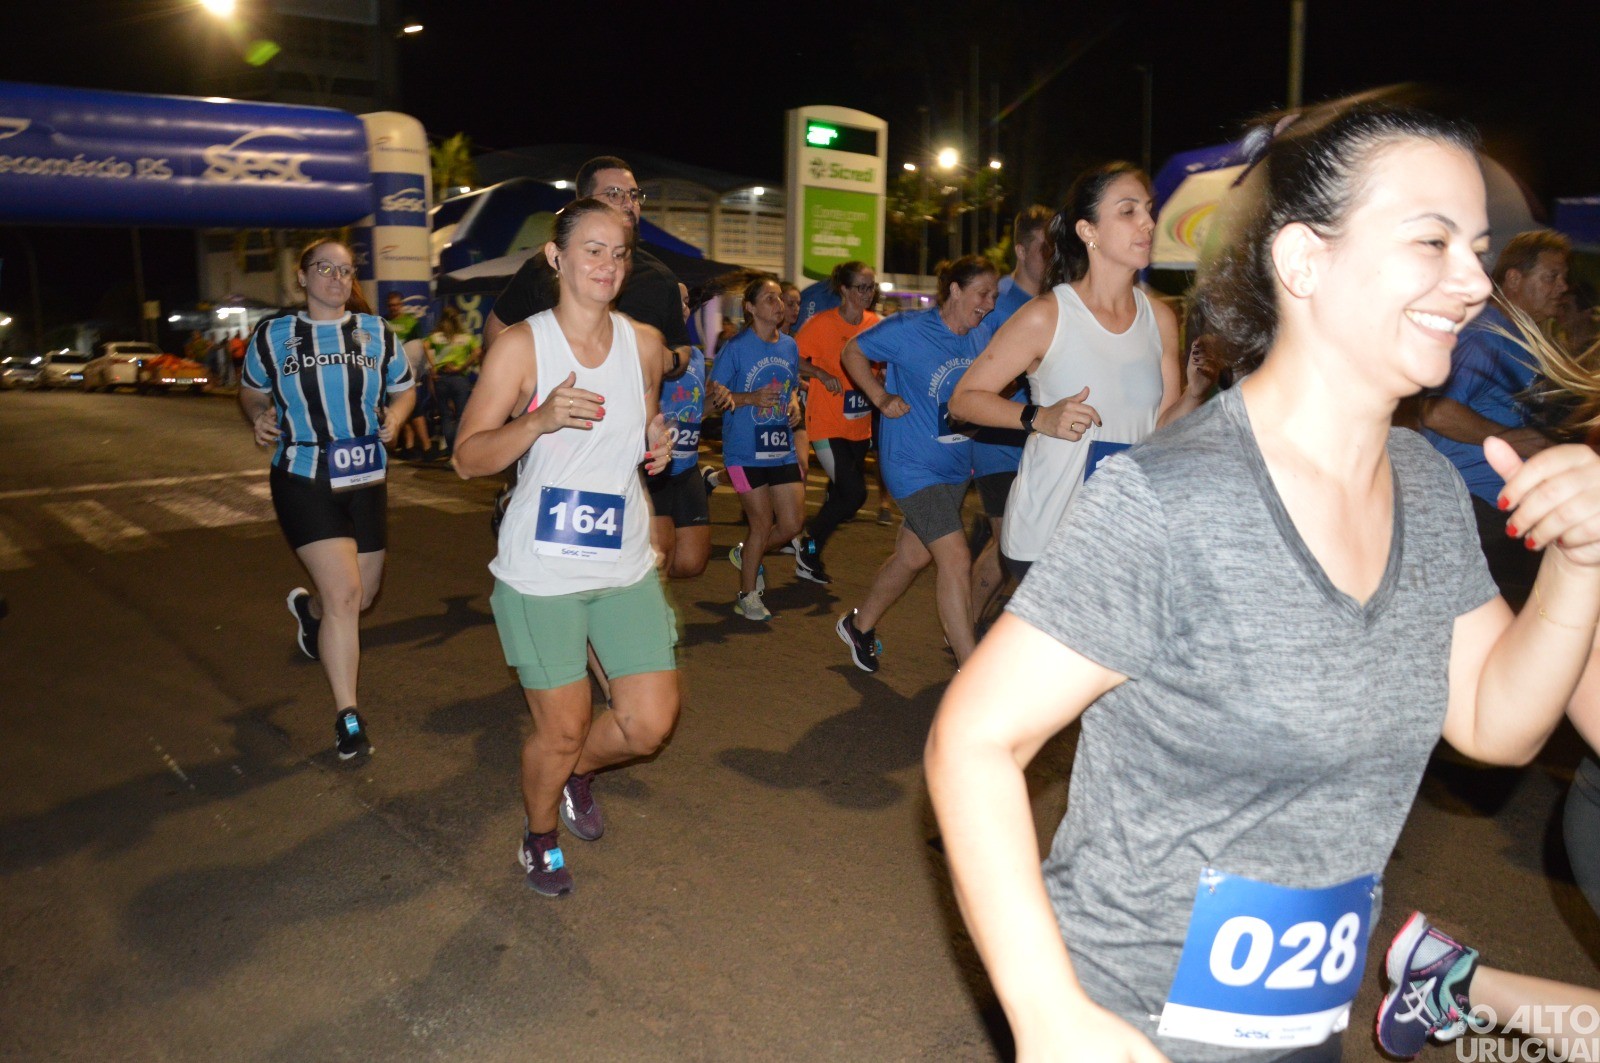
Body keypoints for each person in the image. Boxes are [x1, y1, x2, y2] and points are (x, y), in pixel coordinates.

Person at [924, 102, 1600, 1063]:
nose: (1472, 282)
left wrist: (1580, 560)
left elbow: (1497, 721)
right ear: (1303, 261)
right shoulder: (1173, 497)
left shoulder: (1424, 487)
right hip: (1131, 1026)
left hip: (1304, 1032)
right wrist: (1049, 1014)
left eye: (1479, 250)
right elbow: (975, 739)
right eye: (1433, 241)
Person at [451, 199, 675, 897]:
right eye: (592, 250)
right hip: (541, 570)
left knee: (648, 725)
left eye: (619, 253)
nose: (608, 265)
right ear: (557, 257)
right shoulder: (523, 347)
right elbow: (467, 457)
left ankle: (577, 773)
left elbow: (644, 426)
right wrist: (539, 420)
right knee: (563, 727)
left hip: (622, 560)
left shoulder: (644, 344)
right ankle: (540, 834)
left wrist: (656, 443)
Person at [949, 163, 1210, 584]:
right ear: (1089, 231)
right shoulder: (1047, 315)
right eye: (1128, 211)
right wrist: (1040, 417)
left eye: (1148, 209)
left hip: (1123, 535)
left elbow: (1160, 429)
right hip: (1050, 534)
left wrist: (1194, 394)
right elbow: (963, 400)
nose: (1148, 222)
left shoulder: (1160, 318)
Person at [237, 237, 415, 760]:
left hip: (365, 474)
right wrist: (258, 415)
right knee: (345, 595)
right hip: (303, 472)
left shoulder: (376, 332)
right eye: (325, 268)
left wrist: (397, 416)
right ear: (302, 276)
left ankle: (310, 612)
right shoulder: (274, 335)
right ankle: (348, 717)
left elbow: (404, 388)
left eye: (345, 270)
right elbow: (250, 390)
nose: (337, 279)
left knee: (360, 596)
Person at [835, 255, 999, 672]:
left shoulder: (982, 335)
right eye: (983, 294)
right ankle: (970, 671)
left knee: (913, 556)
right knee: (955, 558)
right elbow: (852, 351)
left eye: (994, 296)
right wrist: (880, 397)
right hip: (911, 465)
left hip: (956, 468)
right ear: (955, 290)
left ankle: (858, 626)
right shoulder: (909, 328)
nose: (989, 304)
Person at [1421, 230, 1572, 606]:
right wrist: (1512, 438)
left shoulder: (1522, 340)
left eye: (1562, 277)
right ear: (1514, 279)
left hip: (1499, 510)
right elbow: (1436, 411)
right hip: (1470, 509)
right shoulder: (1485, 337)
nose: (1562, 287)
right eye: (1551, 276)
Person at [969, 204, 1053, 620]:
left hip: (1036, 442)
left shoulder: (1055, 303)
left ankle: (965, 625)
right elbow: (974, 379)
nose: (1052, 255)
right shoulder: (997, 302)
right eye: (1044, 247)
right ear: (1021, 251)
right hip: (995, 441)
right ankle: (965, 630)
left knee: (1014, 544)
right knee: (1011, 544)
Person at [707, 276, 806, 621]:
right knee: (761, 523)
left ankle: (747, 553)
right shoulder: (735, 348)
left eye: (780, 298)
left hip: (780, 446)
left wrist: (794, 403)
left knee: (792, 524)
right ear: (750, 307)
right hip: (742, 453)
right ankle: (747, 596)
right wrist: (749, 398)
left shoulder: (789, 346)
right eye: (769, 299)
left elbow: (791, 387)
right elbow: (712, 400)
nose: (779, 305)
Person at [791, 260, 880, 586]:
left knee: (838, 497)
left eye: (871, 287)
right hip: (826, 423)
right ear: (844, 289)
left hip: (859, 425)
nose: (868, 294)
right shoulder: (821, 324)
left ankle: (809, 555)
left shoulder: (875, 324)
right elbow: (791, 357)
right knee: (854, 494)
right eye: (861, 287)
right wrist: (819, 372)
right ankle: (807, 544)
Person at [648, 283, 712, 578]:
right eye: (677, 301)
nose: (684, 308)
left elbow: (697, 411)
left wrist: (718, 398)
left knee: (691, 564)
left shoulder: (695, 357)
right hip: (654, 469)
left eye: (687, 301)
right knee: (660, 559)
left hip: (687, 468)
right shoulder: (645, 351)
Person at [427, 306, 482, 458]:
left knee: (445, 416)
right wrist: (463, 367)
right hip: (459, 378)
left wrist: (433, 366)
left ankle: (451, 452)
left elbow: (425, 346)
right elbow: (477, 351)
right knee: (461, 416)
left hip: (441, 379)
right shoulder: (466, 337)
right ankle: (459, 451)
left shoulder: (436, 336)